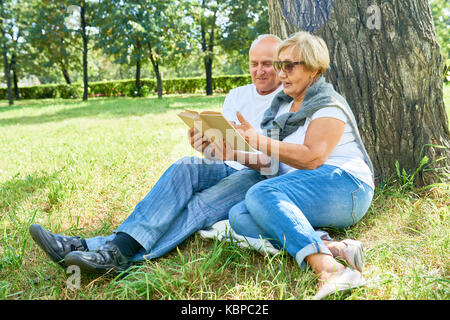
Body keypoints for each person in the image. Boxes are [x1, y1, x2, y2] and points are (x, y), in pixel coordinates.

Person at [29, 34, 285, 273]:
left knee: (200, 204)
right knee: (183, 167)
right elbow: (221, 153)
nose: (259, 71)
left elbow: (272, 165)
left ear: (280, 64)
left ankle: (103, 252)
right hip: (228, 166)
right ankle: (103, 250)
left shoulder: (286, 100)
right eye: (254, 63)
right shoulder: (237, 95)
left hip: (257, 175)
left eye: (267, 64)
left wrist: (233, 154)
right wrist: (205, 146)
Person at [216, 31, 375, 299]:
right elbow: (271, 163)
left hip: (347, 187)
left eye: (289, 66)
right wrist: (231, 152)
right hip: (304, 190)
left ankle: (329, 270)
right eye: (279, 65)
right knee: (238, 215)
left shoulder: (328, 105)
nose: (281, 73)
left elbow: (312, 158)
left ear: (314, 67)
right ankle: (330, 245)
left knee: (260, 193)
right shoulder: (283, 108)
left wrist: (258, 139)